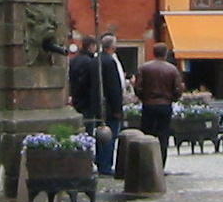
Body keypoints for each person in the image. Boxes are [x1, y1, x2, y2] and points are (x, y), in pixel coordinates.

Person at [134, 42, 184, 165]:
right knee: (163, 135)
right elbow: (178, 89)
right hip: (165, 105)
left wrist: (143, 98)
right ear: (166, 53)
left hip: (149, 105)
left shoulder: (145, 68)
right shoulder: (172, 69)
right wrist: (173, 98)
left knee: (147, 134)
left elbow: (138, 87)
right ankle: (160, 164)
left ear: (153, 52)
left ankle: (146, 162)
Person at [92, 34, 127, 177]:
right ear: (113, 47)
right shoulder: (110, 62)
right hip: (110, 107)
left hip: (97, 104)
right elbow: (114, 87)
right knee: (109, 136)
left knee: (100, 135)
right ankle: (106, 165)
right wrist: (118, 108)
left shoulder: (95, 60)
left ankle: (101, 162)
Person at [67, 36, 99, 119]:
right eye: (95, 46)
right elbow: (89, 82)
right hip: (87, 101)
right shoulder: (90, 62)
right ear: (91, 46)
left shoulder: (74, 60)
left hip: (76, 98)